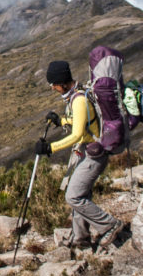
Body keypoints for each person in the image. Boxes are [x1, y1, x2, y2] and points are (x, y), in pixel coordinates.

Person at [35, 60, 124, 250]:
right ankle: (80, 239)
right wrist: (60, 121)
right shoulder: (77, 96)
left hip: (94, 155)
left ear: (62, 82)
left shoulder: (78, 100)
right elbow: (81, 123)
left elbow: (76, 134)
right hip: (86, 152)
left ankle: (109, 225)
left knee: (73, 196)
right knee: (81, 194)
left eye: (53, 84)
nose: (52, 88)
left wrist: (50, 148)